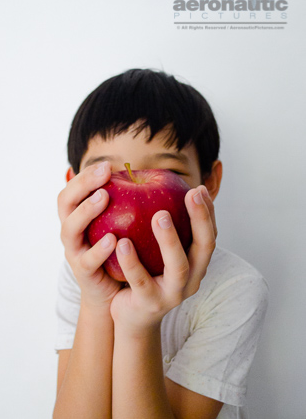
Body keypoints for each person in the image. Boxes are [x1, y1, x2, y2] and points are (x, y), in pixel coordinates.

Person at [53, 68, 269, 419]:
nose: (132, 187)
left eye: (171, 174)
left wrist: (138, 327)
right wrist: (96, 303)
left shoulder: (236, 287)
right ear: (74, 183)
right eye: (106, 175)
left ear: (209, 183)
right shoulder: (82, 272)